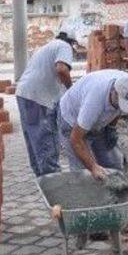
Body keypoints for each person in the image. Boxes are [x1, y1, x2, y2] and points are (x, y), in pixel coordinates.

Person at [15, 27, 76, 177]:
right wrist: (71, 89)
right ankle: (55, 185)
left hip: (24, 95)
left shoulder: (47, 47)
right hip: (39, 98)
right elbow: (62, 69)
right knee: (46, 141)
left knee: (35, 141)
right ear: (72, 42)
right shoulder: (64, 46)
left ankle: (43, 181)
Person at [57, 69, 128, 178]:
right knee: (83, 173)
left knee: (113, 164)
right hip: (71, 121)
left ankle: (113, 191)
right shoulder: (94, 102)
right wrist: (93, 167)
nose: (121, 107)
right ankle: (86, 193)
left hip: (97, 122)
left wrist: (111, 127)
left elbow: (119, 109)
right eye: (120, 103)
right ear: (114, 92)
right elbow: (76, 139)